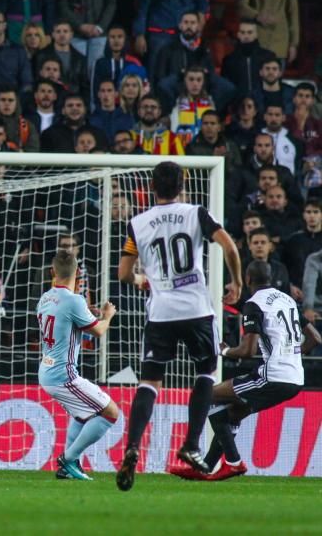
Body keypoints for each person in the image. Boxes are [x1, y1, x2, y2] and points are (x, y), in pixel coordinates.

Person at [115, 161, 242, 491]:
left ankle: (131, 448)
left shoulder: (138, 223)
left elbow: (123, 274)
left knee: (149, 382)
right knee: (204, 373)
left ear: (152, 186)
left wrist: (144, 280)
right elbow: (228, 245)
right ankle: (192, 443)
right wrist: (237, 282)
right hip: (197, 310)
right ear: (182, 184)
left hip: (161, 313)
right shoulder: (196, 213)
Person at [171, 261, 320, 481]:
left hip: (273, 376)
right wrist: (292, 354)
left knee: (207, 396)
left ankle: (233, 462)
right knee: (233, 413)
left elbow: (247, 351)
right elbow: (316, 338)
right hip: (295, 378)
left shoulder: (255, 304)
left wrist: (224, 351)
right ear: (270, 278)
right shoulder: (288, 300)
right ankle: (205, 467)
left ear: (248, 279)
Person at [37, 249, 119, 481]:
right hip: (63, 375)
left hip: (46, 369)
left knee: (83, 415)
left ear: (52, 271)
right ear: (79, 274)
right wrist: (107, 315)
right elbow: (99, 331)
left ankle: (67, 469)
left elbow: (65, 322)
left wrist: (88, 315)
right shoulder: (75, 300)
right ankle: (68, 458)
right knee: (111, 413)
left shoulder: (45, 297)